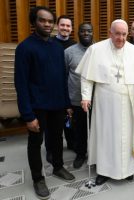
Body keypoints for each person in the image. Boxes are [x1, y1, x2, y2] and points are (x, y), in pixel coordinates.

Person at [76, 19, 134, 185]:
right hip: (105, 104)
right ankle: (104, 171)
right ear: (110, 33)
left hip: (129, 104)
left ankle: (127, 169)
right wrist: (86, 96)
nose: (121, 38)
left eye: (124, 34)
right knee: (105, 136)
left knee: (128, 135)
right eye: (117, 34)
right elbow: (87, 77)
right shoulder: (96, 50)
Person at [14, 6, 75, 199]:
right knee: (35, 143)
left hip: (57, 105)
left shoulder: (57, 48)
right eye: (43, 20)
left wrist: (66, 104)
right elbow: (21, 84)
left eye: (50, 21)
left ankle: (58, 167)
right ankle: (38, 178)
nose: (47, 24)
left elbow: (62, 78)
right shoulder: (25, 48)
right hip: (37, 107)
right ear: (34, 22)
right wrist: (28, 115)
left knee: (57, 139)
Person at [45, 15, 77, 164]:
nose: (65, 28)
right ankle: (50, 149)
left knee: (70, 118)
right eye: (62, 25)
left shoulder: (74, 45)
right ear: (57, 26)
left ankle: (72, 143)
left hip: (70, 88)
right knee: (52, 123)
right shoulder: (49, 42)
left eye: (68, 26)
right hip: (53, 88)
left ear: (71, 28)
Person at [64, 23, 94, 168]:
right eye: (83, 31)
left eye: (89, 31)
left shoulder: (99, 50)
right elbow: (64, 76)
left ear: (93, 33)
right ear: (78, 33)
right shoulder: (69, 52)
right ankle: (81, 154)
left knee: (97, 129)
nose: (86, 33)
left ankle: (96, 155)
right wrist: (67, 103)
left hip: (98, 99)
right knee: (80, 130)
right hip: (76, 100)